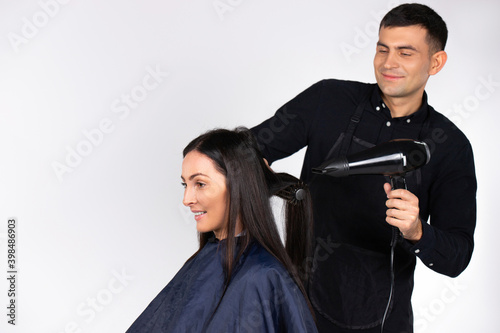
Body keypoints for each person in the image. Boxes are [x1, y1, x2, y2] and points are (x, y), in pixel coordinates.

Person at [251, 3, 477, 333]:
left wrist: (418, 232)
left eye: (405, 52)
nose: (389, 63)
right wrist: (263, 182)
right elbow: (248, 152)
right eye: (382, 49)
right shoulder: (328, 99)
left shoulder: (449, 145)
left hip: (383, 320)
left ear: (436, 62)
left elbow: (457, 258)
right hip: (299, 308)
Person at [126, 127, 318, 332]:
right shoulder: (205, 260)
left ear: (238, 186)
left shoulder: (261, 277)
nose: (186, 200)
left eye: (200, 184)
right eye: (185, 185)